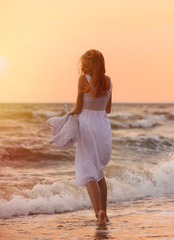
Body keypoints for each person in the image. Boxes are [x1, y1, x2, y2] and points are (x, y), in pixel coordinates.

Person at [70, 49, 112, 225]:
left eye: (86, 66)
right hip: (103, 126)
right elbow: (108, 109)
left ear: (94, 65)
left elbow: (78, 108)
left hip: (87, 125)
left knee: (88, 173)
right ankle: (105, 212)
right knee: (99, 172)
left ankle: (98, 213)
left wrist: (67, 116)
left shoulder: (82, 80)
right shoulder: (108, 81)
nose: (83, 69)